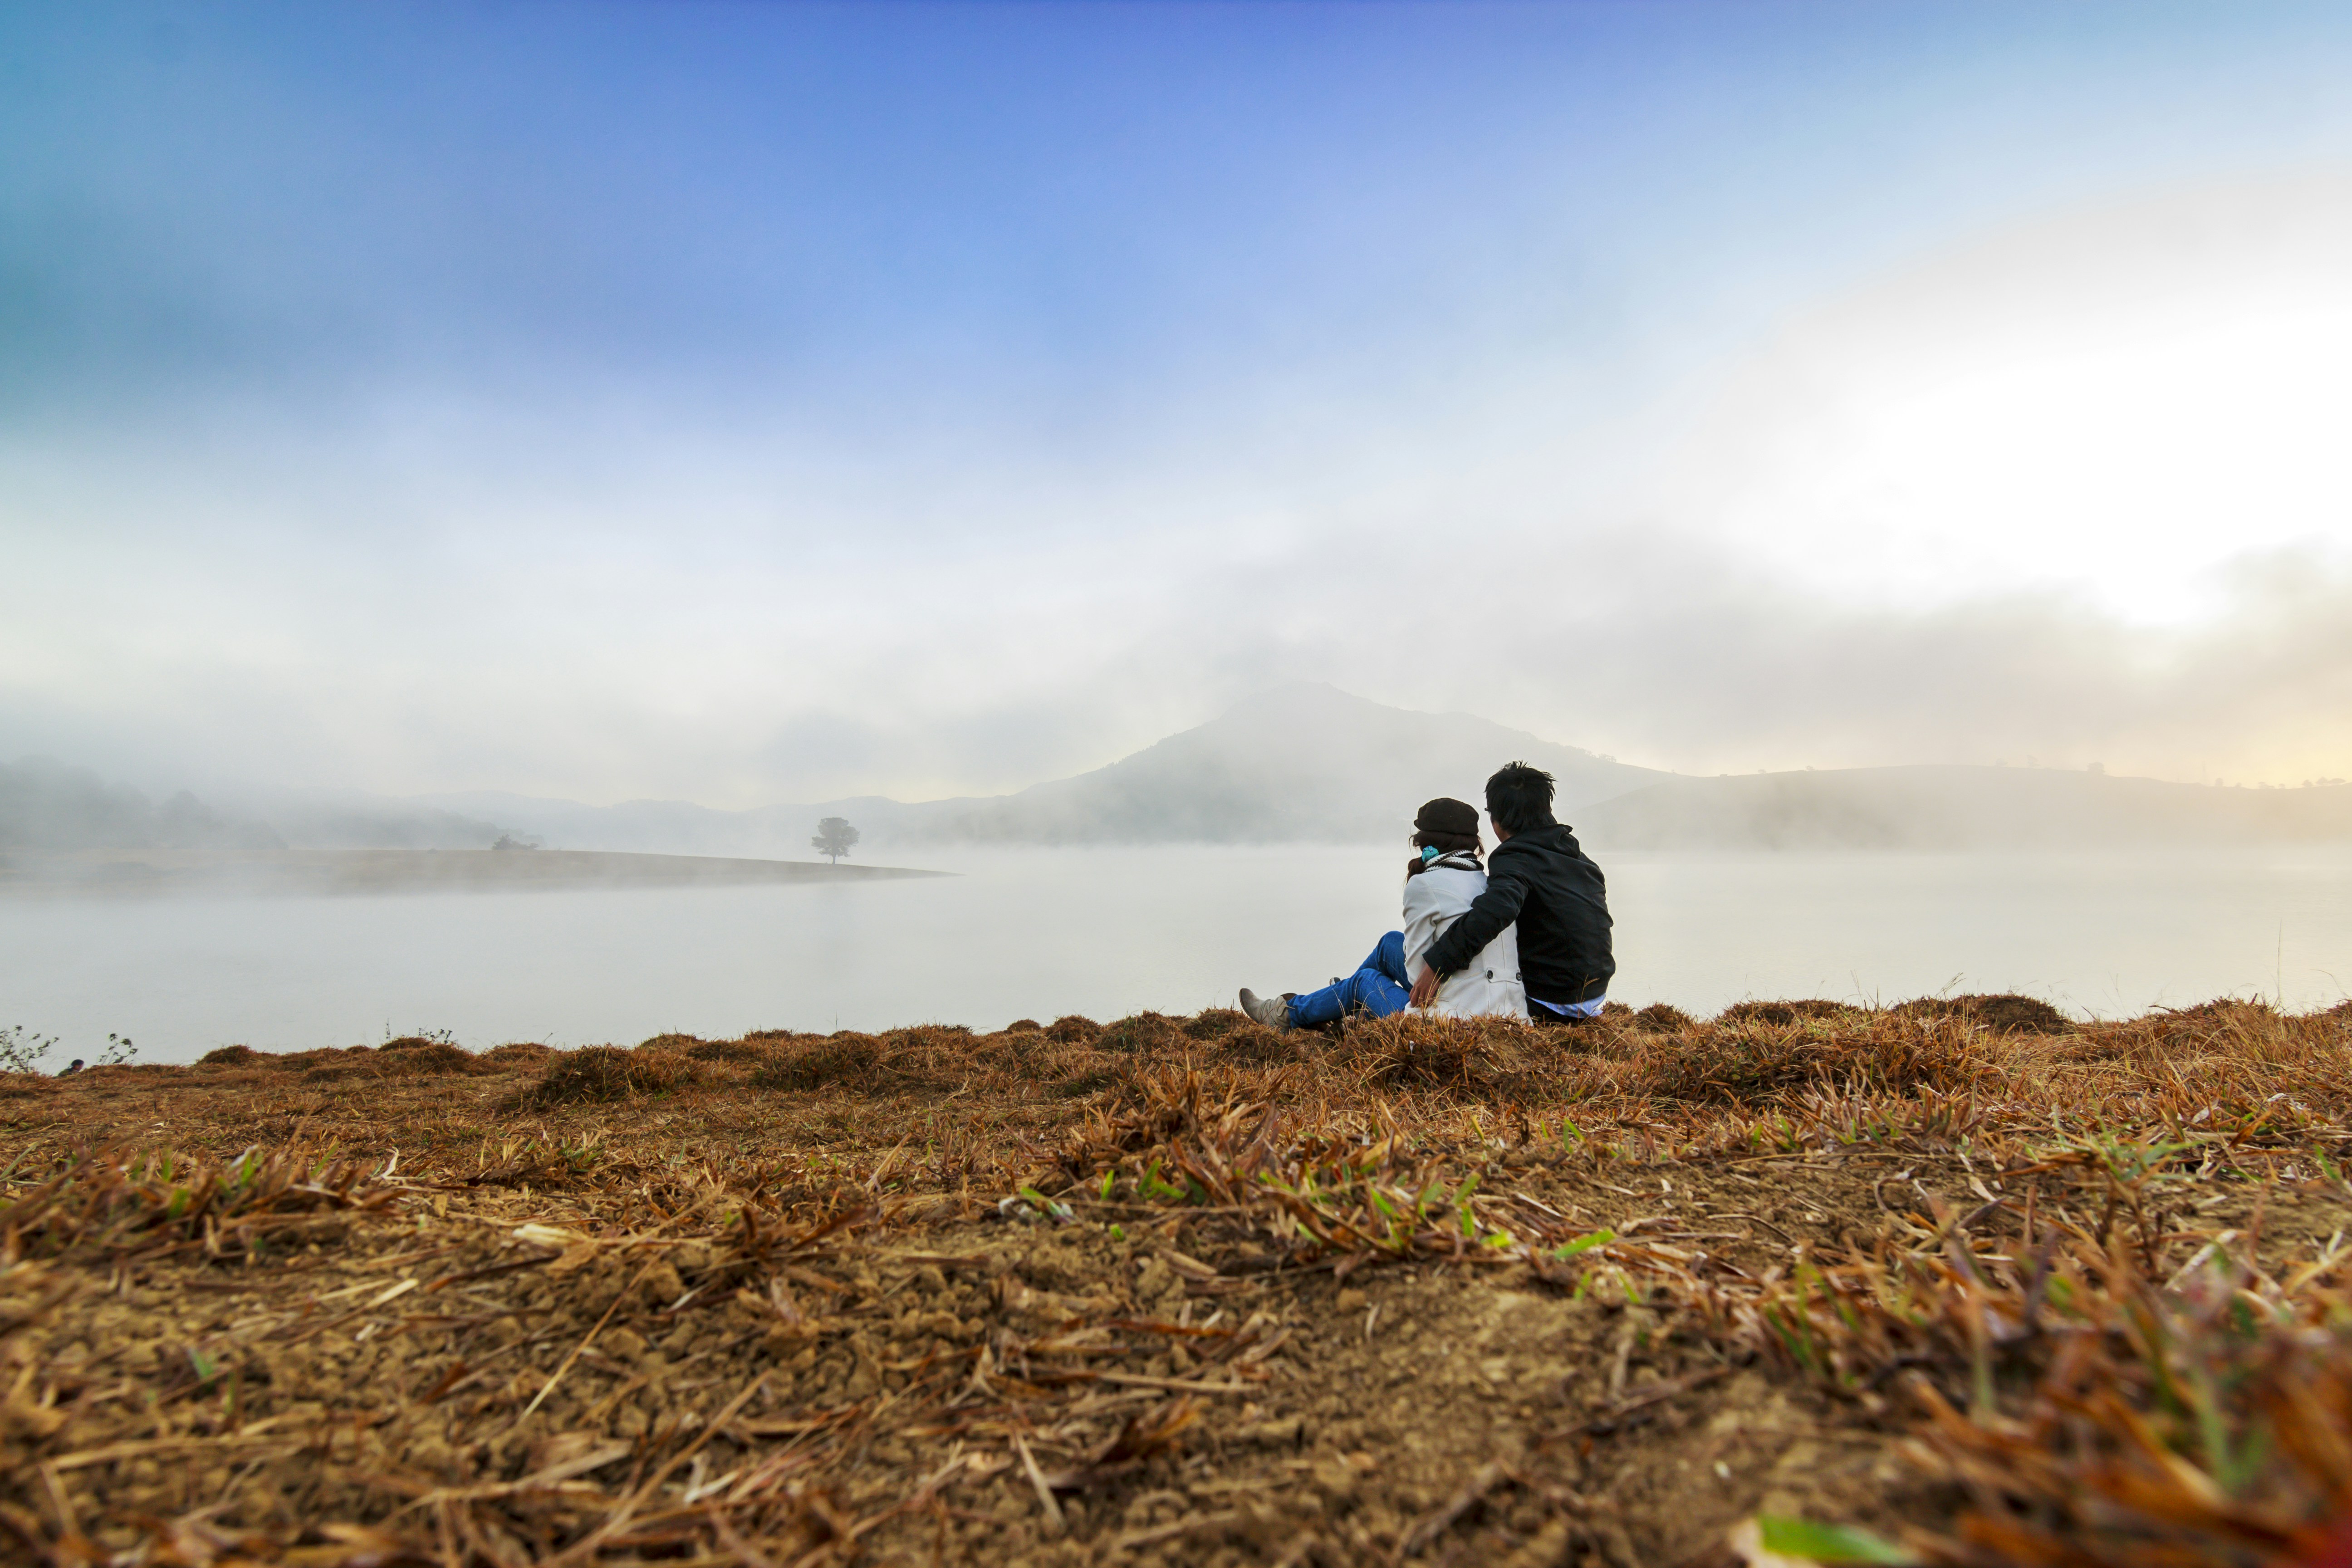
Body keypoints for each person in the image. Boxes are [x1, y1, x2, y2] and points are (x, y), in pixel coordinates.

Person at [1238, 798, 1526, 1030]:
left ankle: (1288, 1014)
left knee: (1364, 980)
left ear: (1425, 841)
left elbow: (1417, 975)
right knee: (1390, 942)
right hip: (1506, 1013)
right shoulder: (1488, 881)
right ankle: (1339, 1002)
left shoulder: (1425, 884)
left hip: (1451, 1024)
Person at [1411, 761, 1613, 1022]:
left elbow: (1497, 909)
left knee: (1389, 953)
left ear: (1498, 819)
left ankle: (1348, 995)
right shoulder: (1581, 860)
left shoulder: (1515, 855)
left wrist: (1437, 965)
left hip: (1548, 1002)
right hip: (1592, 996)